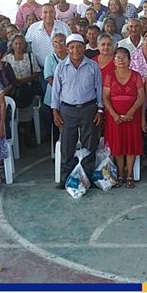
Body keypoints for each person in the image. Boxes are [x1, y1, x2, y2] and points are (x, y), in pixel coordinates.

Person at [52, 34, 104, 188]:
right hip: (67, 110)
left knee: (89, 144)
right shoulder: (61, 67)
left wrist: (100, 110)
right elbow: (56, 91)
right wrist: (55, 111)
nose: (76, 50)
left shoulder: (93, 66)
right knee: (67, 144)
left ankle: (87, 177)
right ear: (67, 49)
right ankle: (66, 178)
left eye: (79, 46)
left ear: (84, 48)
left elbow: (99, 89)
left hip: (89, 108)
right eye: (72, 47)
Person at [102, 47, 145, 187]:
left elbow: (141, 96)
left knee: (131, 145)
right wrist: (114, 114)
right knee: (118, 145)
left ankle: (130, 175)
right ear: (114, 61)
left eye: (124, 57)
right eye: (118, 58)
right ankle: (120, 174)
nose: (121, 60)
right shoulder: (109, 76)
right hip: (114, 118)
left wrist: (130, 112)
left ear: (129, 60)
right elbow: (105, 97)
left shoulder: (136, 76)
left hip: (132, 116)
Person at [4, 34, 40, 147]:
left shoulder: (30, 56)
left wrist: (24, 80)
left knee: (28, 113)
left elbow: (37, 72)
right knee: (13, 114)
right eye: (16, 43)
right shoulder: (7, 58)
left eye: (21, 43)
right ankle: (17, 137)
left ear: (25, 45)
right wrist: (13, 82)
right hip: (12, 90)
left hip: (27, 88)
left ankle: (27, 136)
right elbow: (3, 73)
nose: (18, 46)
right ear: (12, 45)